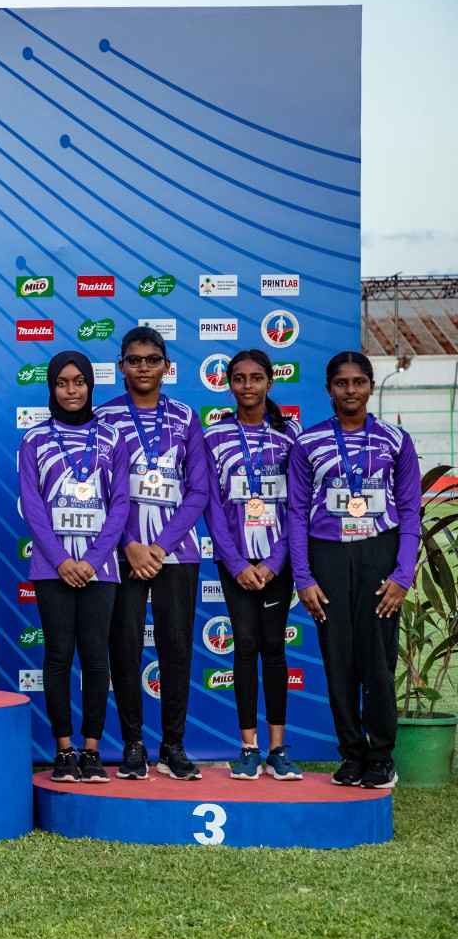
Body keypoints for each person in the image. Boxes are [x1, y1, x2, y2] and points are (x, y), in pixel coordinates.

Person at [290, 352, 419, 790]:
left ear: (369, 386)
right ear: (328, 389)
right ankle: (351, 754)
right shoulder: (307, 443)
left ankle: (381, 756)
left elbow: (409, 512)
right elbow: (295, 513)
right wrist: (303, 576)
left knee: (378, 661)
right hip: (327, 555)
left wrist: (403, 575)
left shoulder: (395, 440)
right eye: (342, 383)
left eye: (359, 382)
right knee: (337, 659)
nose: (350, 391)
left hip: (379, 554)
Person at [96, 326, 208, 780]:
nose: (143, 366)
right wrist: (129, 545)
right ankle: (133, 745)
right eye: (134, 359)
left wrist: (158, 547)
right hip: (120, 555)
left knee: (176, 649)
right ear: (121, 366)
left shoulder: (185, 416)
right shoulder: (103, 418)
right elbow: (99, 493)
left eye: (152, 359)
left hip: (175, 554)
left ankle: (174, 746)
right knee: (123, 649)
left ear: (167, 365)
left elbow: (199, 490)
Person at [19, 351, 128, 782]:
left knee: (96, 658)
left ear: (90, 385)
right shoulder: (34, 440)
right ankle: (64, 750)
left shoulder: (112, 437)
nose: (71, 390)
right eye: (62, 382)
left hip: (102, 568)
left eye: (79, 381)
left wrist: (94, 559)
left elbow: (119, 504)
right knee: (59, 655)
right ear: (51, 386)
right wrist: (63, 560)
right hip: (52, 567)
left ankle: (92, 749)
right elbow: (32, 506)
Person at [201, 350, 305, 781]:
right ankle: (248, 748)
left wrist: (276, 561)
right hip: (235, 561)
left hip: (277, 562)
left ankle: (278, 750)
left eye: (256, 378)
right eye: (239, 379)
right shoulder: (213, 437)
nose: (248, 386)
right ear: (228, 383)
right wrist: (238, 562)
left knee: (274, 649)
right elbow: (210, 504)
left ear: (269, 383)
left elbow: (299, 505)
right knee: (244, 646)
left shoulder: (292, 435)